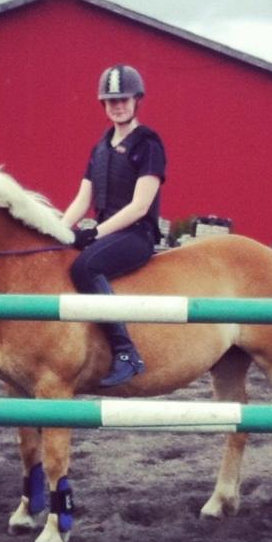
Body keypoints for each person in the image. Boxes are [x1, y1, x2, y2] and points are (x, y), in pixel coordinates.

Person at [61, 64, 167, 387]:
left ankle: (125, 352)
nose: (117, 105)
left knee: (84, 268)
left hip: (136, 234)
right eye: (111, 101)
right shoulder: (100, 147)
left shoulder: (148, 144)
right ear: (103, 105)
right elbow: (82, 200)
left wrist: (93, 232)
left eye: (123, 99)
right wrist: (57, 231)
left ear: (136, 100)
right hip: (108, 232)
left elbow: (140, 206)